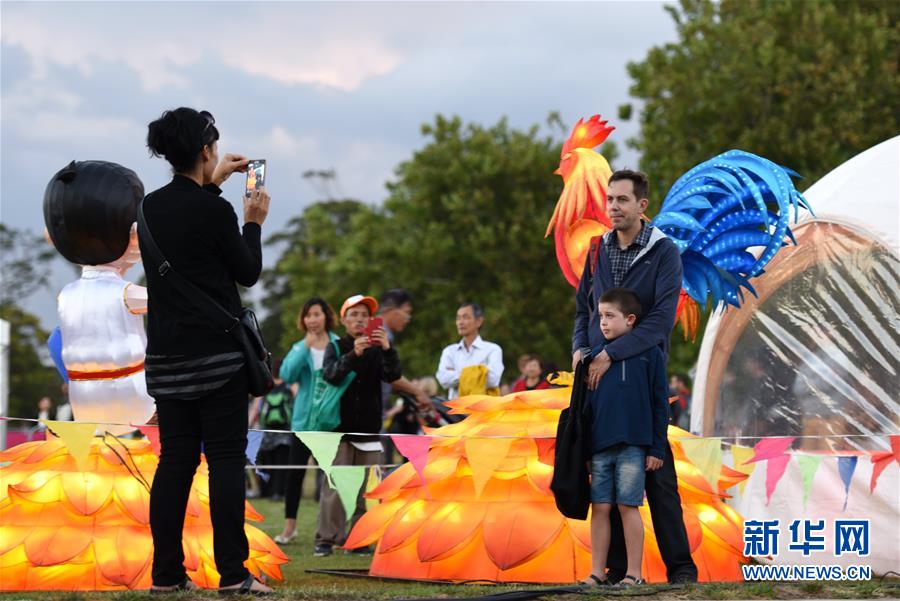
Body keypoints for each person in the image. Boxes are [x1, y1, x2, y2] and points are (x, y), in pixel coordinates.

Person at [141, 107, 272, 595]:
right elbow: (247, 270)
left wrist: (211, 183)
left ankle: (167, 576)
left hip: (167, 361)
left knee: (174, 462)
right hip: (218, 361)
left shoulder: (148, 208)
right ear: (205, 151)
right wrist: (253, 221)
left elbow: (186, 234)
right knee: (223, 461)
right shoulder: (216, 211)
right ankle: (234, 575)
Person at [572, 169, 697, 584]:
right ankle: (615, 570)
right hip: (597, 379)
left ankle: (681, 569)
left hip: (643, 375)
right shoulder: (597, 249)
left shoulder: (664, 252)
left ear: (641, 206)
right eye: (609, 200)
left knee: (657, 474)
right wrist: (580, 349)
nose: (613, 208)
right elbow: (583, 310)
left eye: (622, 200)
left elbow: (661, 321)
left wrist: (612, 353)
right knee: (603, 478)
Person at [583, 289, 668, 587]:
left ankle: (634, 573)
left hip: (634, 445)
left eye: (610, 316)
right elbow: (586, 408)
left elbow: (660, 404)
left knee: (627, 506)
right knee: (601, 507)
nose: (603, 323)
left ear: (630, 320)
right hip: (600, 447)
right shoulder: (595, 357)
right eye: (600, 316)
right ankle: (596, 572)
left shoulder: (651, 354)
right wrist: (584, 451)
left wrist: (656, 447)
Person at [317, 294, 401, 557]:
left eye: (364, 315)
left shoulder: (378, 349)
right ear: (344, 320)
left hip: (368, 428)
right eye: (354, 315)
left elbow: (393, 375)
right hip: (339, 429)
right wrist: (353, 354)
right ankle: (326, 540)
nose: (359, 319)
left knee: (366, 488)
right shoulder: (336, 346)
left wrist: (387, 349)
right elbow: (330, 375)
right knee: (335, 487)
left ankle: (359, 540)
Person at [275, 297, 340, 544]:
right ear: (303, 320)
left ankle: (332, 530)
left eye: (317, 314)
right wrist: (304, 346)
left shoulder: (338, 344)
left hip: (330, 424)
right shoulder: (299, 347)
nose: (312, 319)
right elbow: (287, 374)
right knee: (295, 476)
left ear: (326, 316)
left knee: (332, 478)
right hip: (302, 424)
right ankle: (289, 528)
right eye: (308, 315)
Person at [435, 303, 504, 399]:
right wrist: (479, 372)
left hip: (483, 409)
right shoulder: (450, 351)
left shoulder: (493, 349)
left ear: (479, 321)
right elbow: (443, 380)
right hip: (456, 411)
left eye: (465, 317)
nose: (460, 322)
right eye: (458, 318)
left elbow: (493, 380)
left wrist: (456, 374)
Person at [252, 360, 294, 500]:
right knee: (281, 463)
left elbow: (256, 408)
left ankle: (265, 491)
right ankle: (277, 492)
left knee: (267, 463)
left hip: (266, 432)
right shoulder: (290, 386)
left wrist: (249, 426)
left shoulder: (266, 385)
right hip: (285, 432)